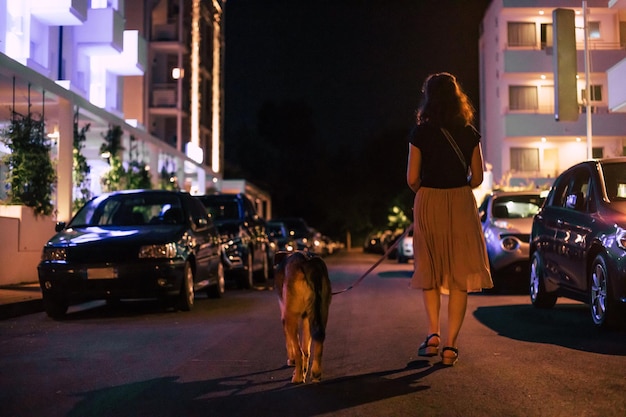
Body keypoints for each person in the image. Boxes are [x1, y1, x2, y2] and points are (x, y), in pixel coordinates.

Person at [406, 72, 492, 366]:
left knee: (429, 269)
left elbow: (412, 178)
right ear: (457, 97)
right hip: (460, 202)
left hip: (428, 200)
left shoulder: (420, 133)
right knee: (459, 276)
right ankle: (451, 347)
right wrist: (457, 190)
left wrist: (428, 193)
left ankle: (433, 336)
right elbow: (478, 178)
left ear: (429, 98)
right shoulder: (469, 132)